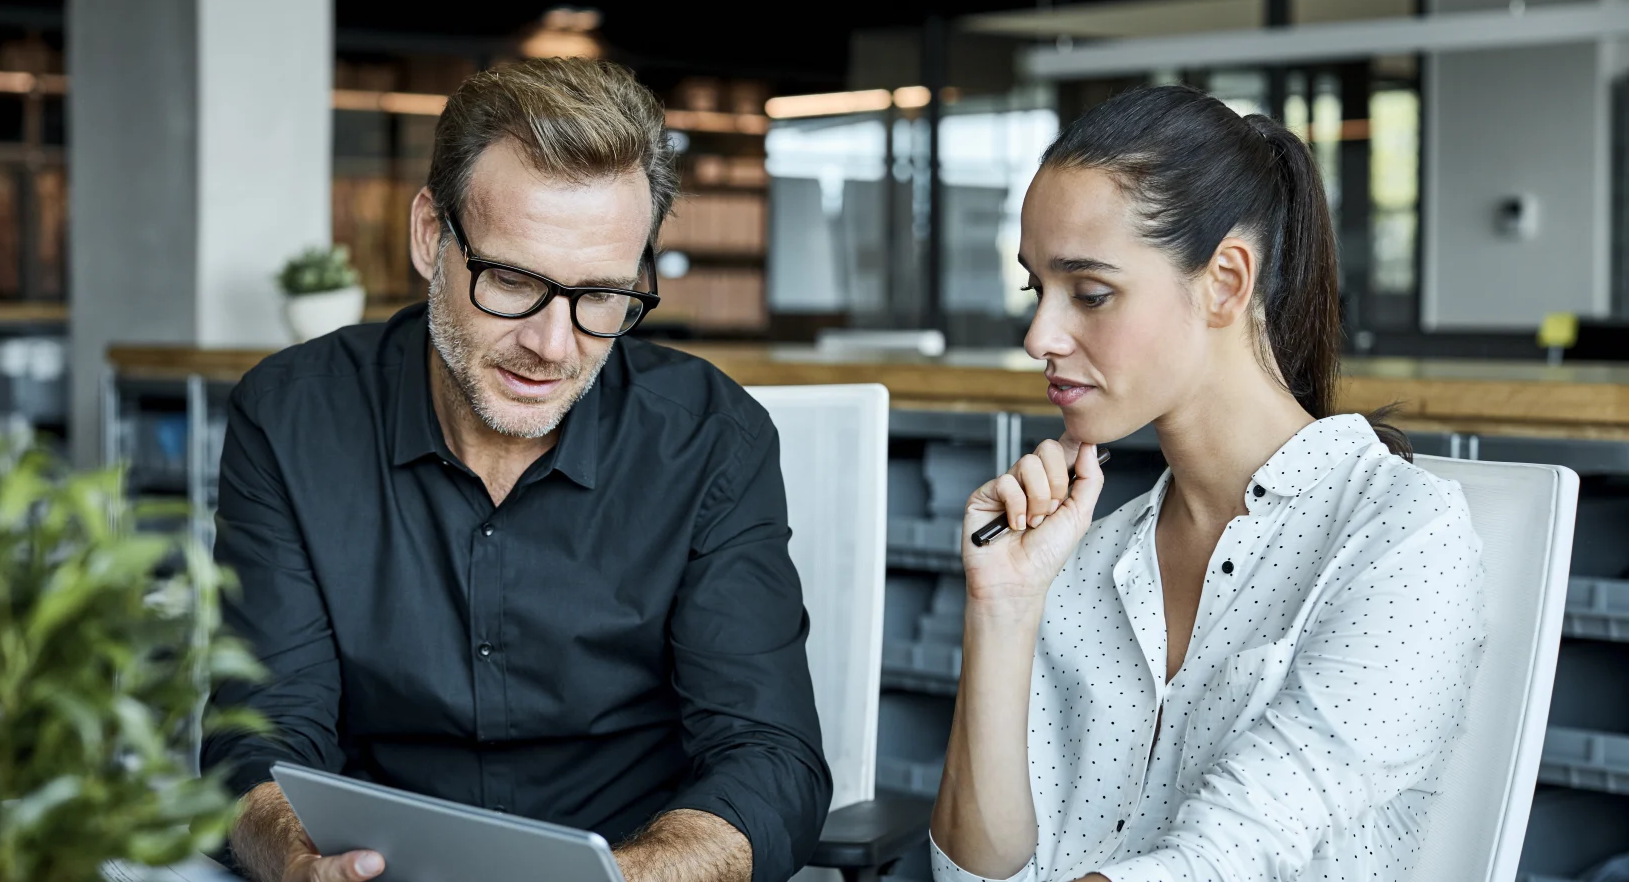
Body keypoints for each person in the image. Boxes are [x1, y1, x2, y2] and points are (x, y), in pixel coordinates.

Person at [201, 57, 831, 882]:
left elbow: (768, 758)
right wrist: (297, 862)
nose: (554, 346)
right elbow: (260, 737)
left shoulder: (711, 440)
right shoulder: (291, 418)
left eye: (603, 295)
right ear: (432, 236)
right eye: (512, 281)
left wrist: (631, 879)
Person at [929, 85, 1484, 882]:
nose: (1039, 336)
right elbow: (975, 874)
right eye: (1037, 290)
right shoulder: (1084, 558)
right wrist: (1003, 608)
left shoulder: (1401, 539)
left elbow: (1227, 860)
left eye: (1090, 293)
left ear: (1225, 281)